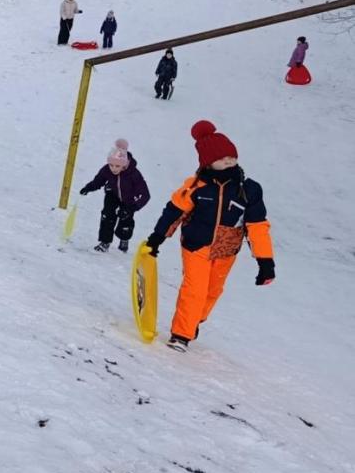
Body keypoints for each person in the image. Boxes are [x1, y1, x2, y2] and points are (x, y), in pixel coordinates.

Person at [143, 121, 274, 352]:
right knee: (194, 289)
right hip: (196, 245)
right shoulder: (196, 186)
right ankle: (181, 335)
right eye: (222, 159)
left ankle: (193, 320)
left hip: (227, 250)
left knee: (212, 292)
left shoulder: (249, 189)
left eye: (232, 157)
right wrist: (157, 238)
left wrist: (265, 262)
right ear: (208, 162)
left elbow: (257, 226)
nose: (229, 162)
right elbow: (174, 211)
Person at [78, 139, 150, 252]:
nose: (113, 168)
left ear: (124, 164)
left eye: (117, 166)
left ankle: (124, 239)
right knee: (107, 215)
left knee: (125, 219)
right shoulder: (107, 170)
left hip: (129, 199)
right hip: (113, 194)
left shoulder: (134, 174)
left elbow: (145, 195)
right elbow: (98, 181)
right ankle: (105, 241)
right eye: (111, 165)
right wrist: (88, 188)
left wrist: (132, 208)